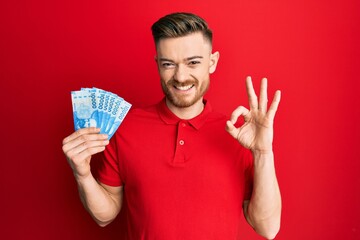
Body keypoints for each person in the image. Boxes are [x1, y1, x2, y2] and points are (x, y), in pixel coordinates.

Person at [62, 12, 281, 240]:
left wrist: (262, 152)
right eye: (168, 64)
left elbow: (268, 228)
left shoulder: (238, 134)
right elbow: (104, 215)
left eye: (193, 62)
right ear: (157, 64)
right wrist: (83, 174)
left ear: (212, 62)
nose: (180, 76)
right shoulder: (126, 127)